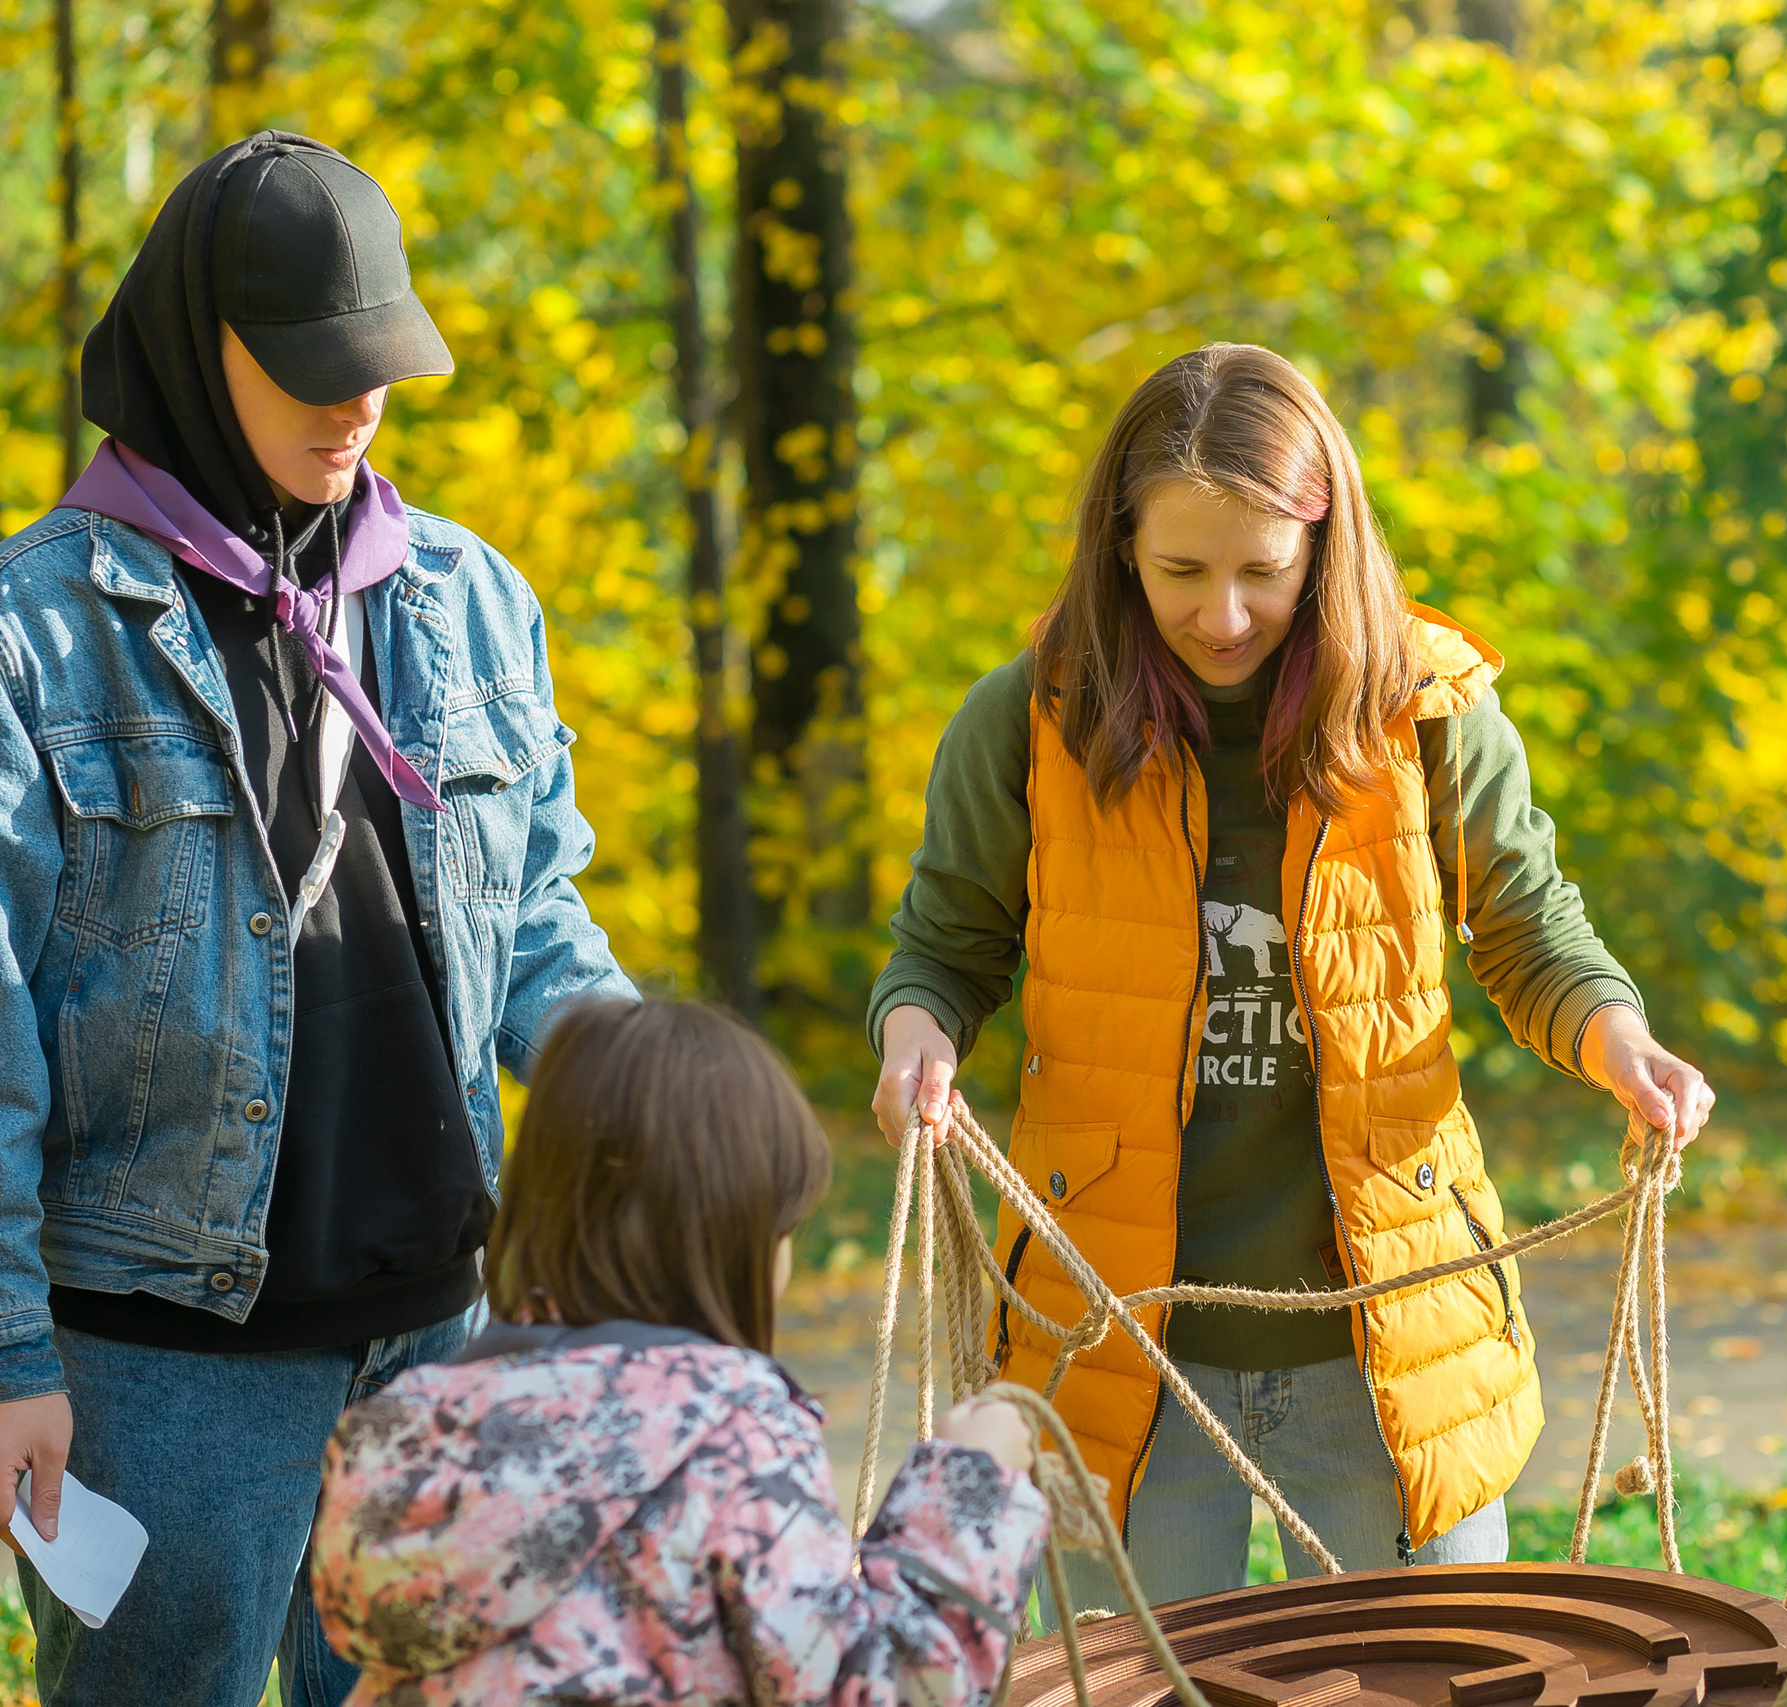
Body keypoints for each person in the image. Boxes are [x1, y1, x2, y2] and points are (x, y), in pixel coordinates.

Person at [867, 342, 1714, 1609]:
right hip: (1119, 1348)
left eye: (1263, 572)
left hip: (1390, 1339)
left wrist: (1622, 1043)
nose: (1222, 616)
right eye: (1179, 572)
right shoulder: (1024, 721)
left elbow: (1530, 931)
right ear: (1118, 550)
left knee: (1431, 1687)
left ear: (1326, 546)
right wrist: (913, 1040)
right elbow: (944, 948)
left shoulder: (1429, 713)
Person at [0, 133, 633, 1702]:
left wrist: (655, 1082)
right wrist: (9, 1353)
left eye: (381, 366)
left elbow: (538, 916)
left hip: (441, 1340)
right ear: (193, 349)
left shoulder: (474, 596)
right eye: (310, 368)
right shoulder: (36, 635)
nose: (357, 403)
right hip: (162, 1370)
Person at [310, 997, 1050, 1706]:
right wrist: (969, 1490)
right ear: (737, 1241)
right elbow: (882, 1690)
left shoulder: (416, 1426)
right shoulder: (732, 1440)